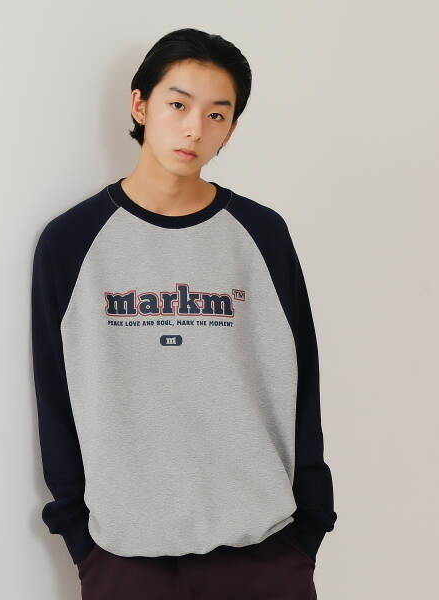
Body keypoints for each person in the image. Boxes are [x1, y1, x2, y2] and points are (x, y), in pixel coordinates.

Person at [31, 27, 337, 600]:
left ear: (231, 128)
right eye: (178, 105)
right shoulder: (70, 242)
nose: (195, 128)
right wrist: (80, 536)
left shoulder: (262, 235)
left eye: (217, 114)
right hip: (125, 560)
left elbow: (303, 380)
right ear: (140, 104)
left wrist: (310, 526)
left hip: (265, 553)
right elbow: (54, 393)